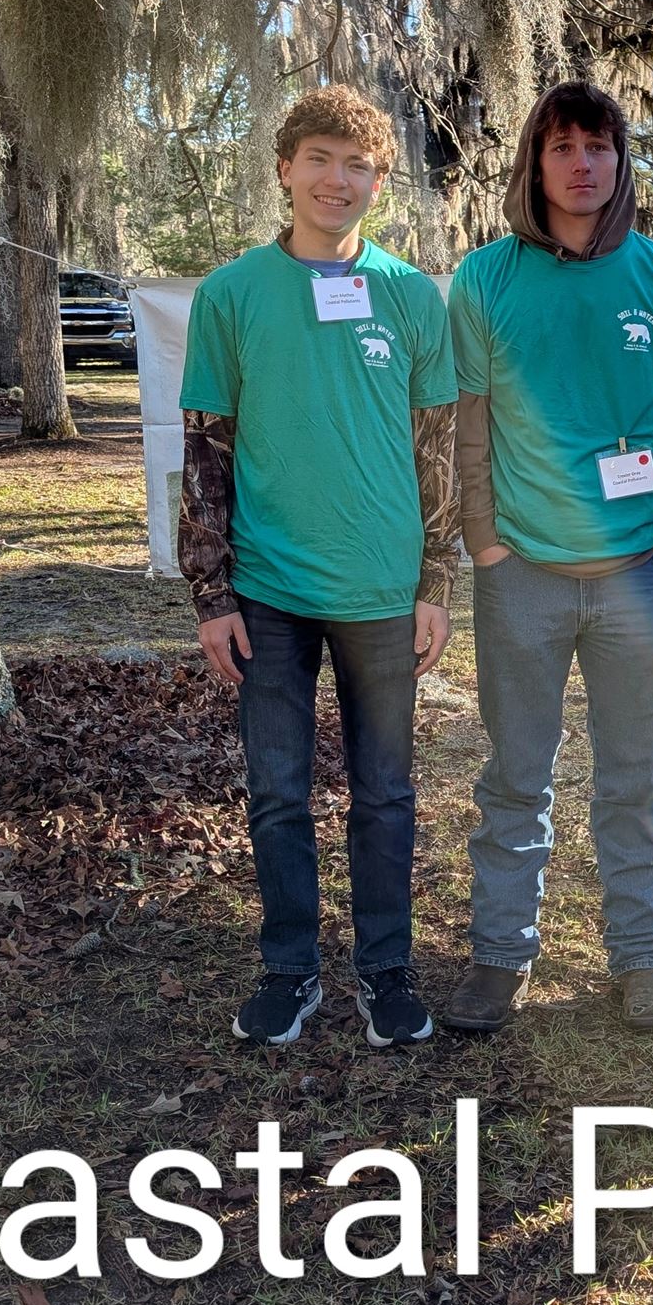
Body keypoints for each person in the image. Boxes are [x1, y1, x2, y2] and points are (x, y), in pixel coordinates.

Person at [178, 86, 458, 1050]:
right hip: (269, 591)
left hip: (383, 591)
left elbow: (438, 449)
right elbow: (206, 446)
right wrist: (212, 593)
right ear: (286, 168)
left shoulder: (414, 296)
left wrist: (435, 584)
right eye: (322, 160)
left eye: (360, 165)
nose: (339, 181)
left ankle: (386, 970)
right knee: (278, 790)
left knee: (386, 791)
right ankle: (289, 969)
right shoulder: (231, 294)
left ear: (378, 181)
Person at [442, 80, 653, 1033]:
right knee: (516, 773)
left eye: (598, 146)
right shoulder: (485, 279)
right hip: (522, 576)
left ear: (619, 159)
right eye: (562, 147)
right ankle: (499, 955)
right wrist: (485, 540)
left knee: (634, 777)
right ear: (536, 160)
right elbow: (468, 427)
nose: (582, 164)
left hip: (639, 572)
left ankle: (641, 955)